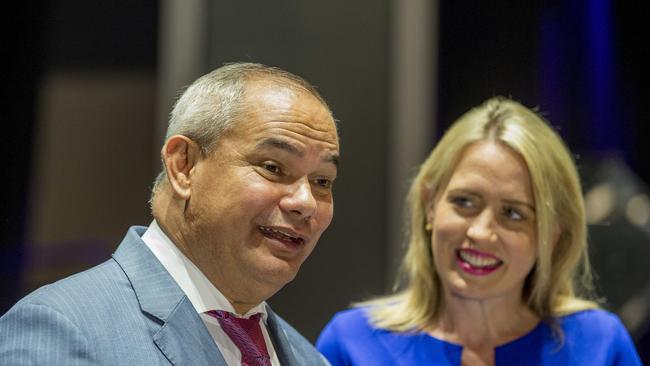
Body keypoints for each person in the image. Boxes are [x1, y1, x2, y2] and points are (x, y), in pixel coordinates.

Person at [0, 62, 339, 365]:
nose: (306, 202)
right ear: (184, 165)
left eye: (322, 180)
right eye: (272, 167)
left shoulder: (309, 358)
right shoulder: (60, 326)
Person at [316, 97, 642, 365]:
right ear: (430, 205)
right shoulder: (350, 343)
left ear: (553, 234)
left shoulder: (600, 345)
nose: (482, 232)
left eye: (513, 213)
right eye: (464, 202)